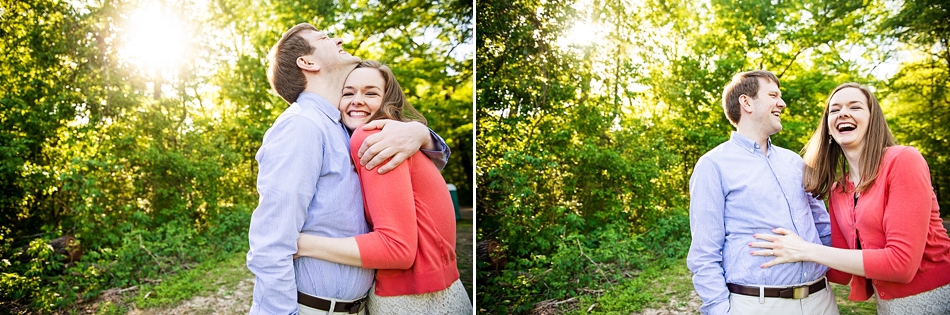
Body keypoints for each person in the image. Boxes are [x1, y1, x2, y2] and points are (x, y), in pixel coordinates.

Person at [246, 23, 451, 315]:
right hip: (310, 309)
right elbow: (271, 240)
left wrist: (421, 133)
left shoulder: (345, 127)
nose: (339, 38)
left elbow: (433, 164)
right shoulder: (301, 126)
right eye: (325, 38)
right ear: (308, 62)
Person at [750, 82, 950, 314]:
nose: (843, 113)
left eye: (855, 107)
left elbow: (901, 264)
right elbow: (841, 272)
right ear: (828, 127)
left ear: (872, 119)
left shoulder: (903, 161)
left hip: (936, 298)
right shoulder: (839, 190)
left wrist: (804, 249)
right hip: (888, 307)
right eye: (834, 110)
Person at [293, 60, 471, 314]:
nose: (357, 100)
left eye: (371, 93)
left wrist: (302, 244)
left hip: (413, 301)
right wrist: (421, 132)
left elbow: (397, 249)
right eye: (348, 92)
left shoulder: (374, 138)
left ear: (388, 99)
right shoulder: (393, 135)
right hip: (441, 292)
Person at [687, 70, 838, 315]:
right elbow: (704, 254)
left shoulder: (795, 163)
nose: (782, 103)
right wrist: (720, 310)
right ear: (746, 102)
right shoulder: (713, 165)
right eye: (773, 95)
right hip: (757, 305)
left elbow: (824, 228)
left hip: (821, 301)